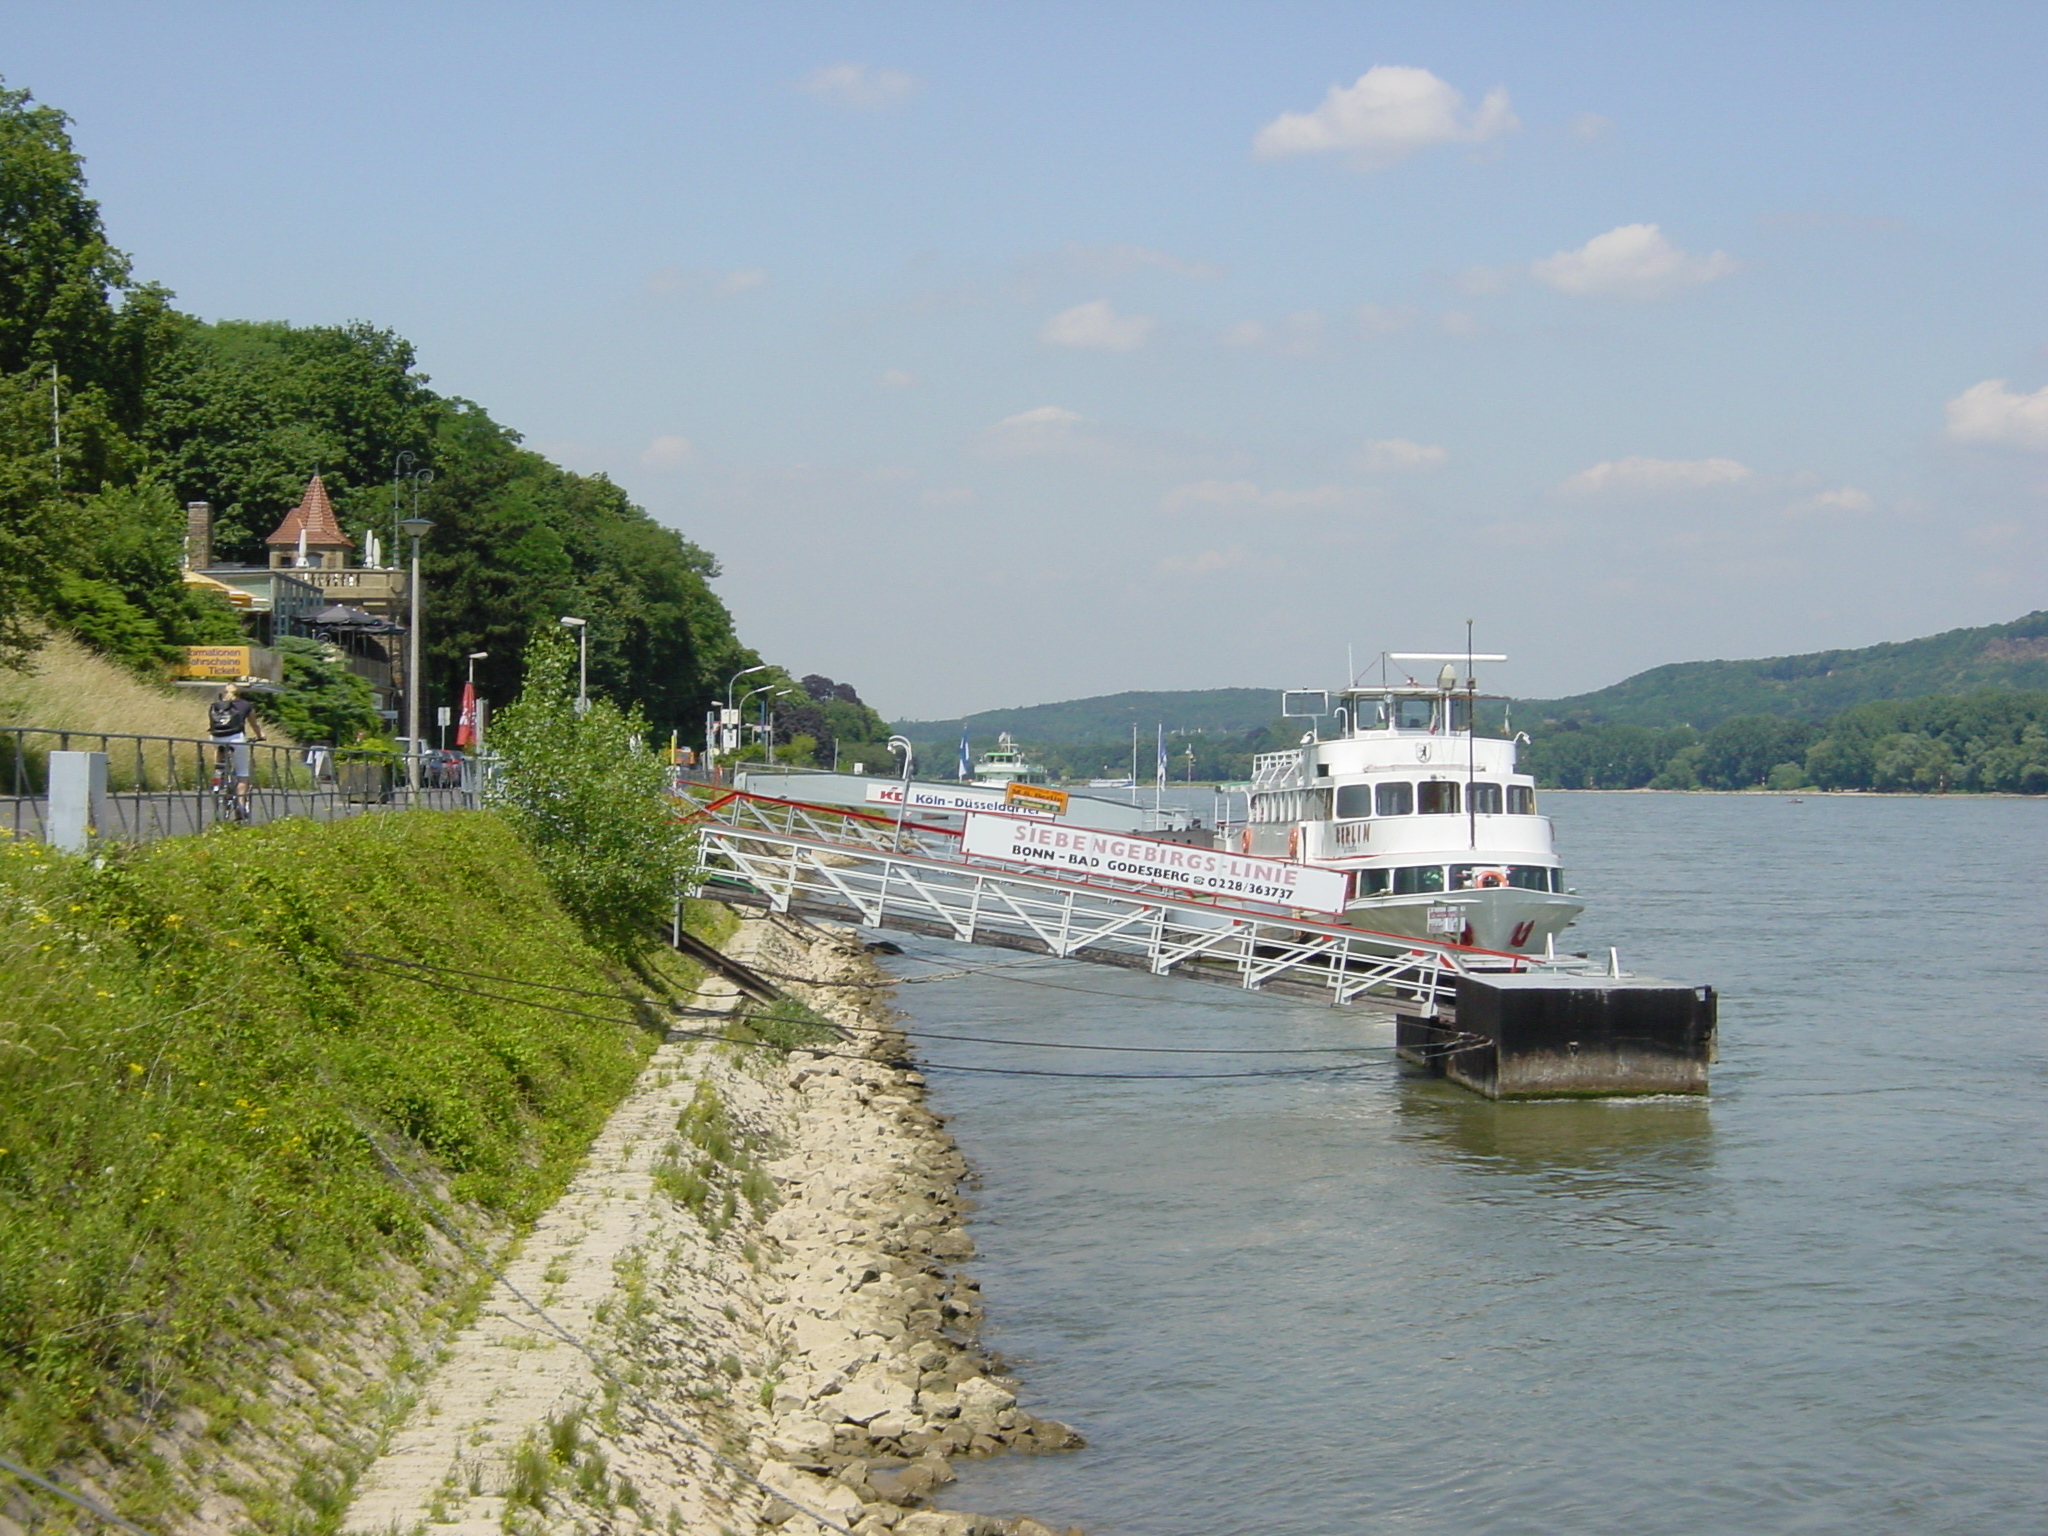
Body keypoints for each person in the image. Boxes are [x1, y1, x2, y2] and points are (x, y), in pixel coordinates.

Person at [207, 683, 265, 817]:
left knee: (220, 751)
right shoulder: (245, 705)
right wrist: (261, 736)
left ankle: (217, 776)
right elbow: (254, 725)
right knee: (242, 773)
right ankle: (240, 804)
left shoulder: (216, 705)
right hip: (236, 738)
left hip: (215, 737)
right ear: (240, 693)